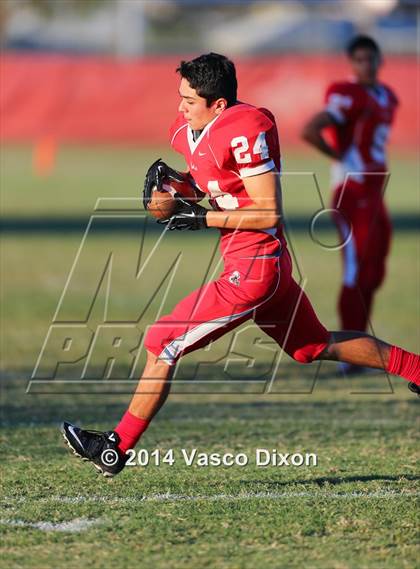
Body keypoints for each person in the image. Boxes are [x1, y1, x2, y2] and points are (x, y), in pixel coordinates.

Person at [62, 53, 419, 477]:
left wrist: (200, 217)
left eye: (190, 101)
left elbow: (268, 212)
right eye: (180, 97)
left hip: (255, 268)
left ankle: (115, 447)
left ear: (218, 104)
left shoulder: (247, 127)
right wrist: (177, 191)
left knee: (163, 342)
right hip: (254, 263)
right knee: (312, 346)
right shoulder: (188, 130)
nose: (181, 108)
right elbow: (210, 181)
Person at [302, 36, 398, 374]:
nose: (366, 65)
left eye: (370, 58)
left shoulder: (387, 96)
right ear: (351, 63)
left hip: (374, 193)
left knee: (375, 270)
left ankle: (362, 344)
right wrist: (338, 156)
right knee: (356, 270)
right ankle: (349, 354)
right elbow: (312, 129)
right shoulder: (346, 93)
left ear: (379, 60)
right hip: (351, 192)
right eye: (359, 59)